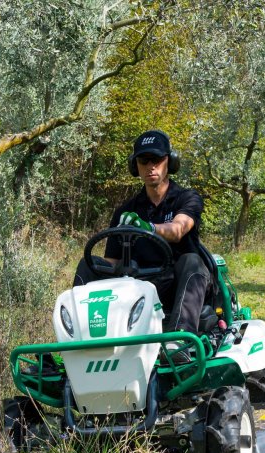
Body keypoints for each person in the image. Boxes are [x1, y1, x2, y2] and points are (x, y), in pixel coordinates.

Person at [75, 129, 211, 337]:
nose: (150, 166)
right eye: (144, 160)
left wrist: (149, 227)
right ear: (135, 166)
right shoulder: (125, 211)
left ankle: (180, 341)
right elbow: (111, 262)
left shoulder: (187, 198)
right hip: (136, 287)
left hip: (176, 285)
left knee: (192, 260)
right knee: (88, 264)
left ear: (170, 162)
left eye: (156, 159)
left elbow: (178, 230)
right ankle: (80, 338)